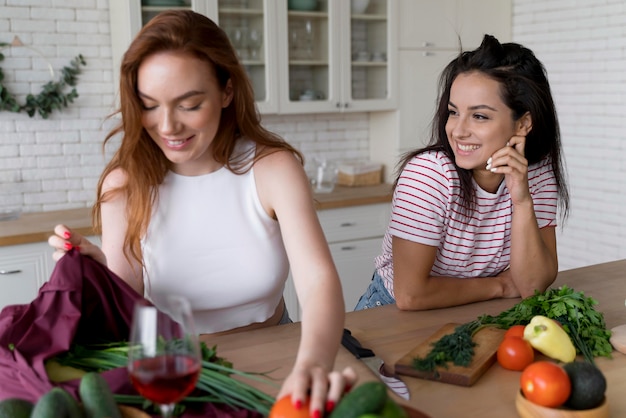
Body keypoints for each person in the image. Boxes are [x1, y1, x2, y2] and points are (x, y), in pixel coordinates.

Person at [48, 10, 354, 416]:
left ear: (226, 91)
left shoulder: (272, 169)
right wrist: (100, 272)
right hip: (169, 368)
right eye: (150, 106)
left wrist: (313, 362)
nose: (168, 126)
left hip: (277, 353)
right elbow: (129, 299)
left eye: (189, 104)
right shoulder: (124, 184)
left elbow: (317, 282)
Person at [355, 34, 569, 311]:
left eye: (479, 116)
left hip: (477, 309)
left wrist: (522, 201)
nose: (457, 130)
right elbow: (411, 295)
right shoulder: (428, 176)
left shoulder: (535, 176)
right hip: (391, 312)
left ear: (523, 124)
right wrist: (501, 285)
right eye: (454, 112)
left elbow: (532, 286)